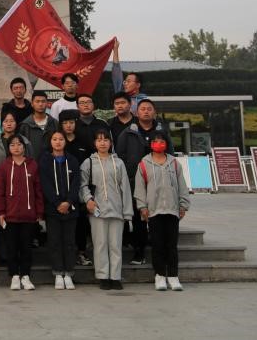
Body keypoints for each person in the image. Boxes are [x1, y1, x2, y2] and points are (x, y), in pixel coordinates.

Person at [134, 130, 189, 291]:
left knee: (171, 245)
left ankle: (173, 276)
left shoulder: (174, 163)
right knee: (157, 244)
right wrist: (142, 207)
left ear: (166, 144)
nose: (159, 144)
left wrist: (183, 205)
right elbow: (139, 188)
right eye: (156, 141)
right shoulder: (143, 164)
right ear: (151, 144)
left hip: (172, 210)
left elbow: (182, 185)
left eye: (162, 141)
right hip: (154, 210)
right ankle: (159, 275)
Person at [79, 128, 133, 291]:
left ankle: (115, 276)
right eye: (99, 140)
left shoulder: (119, 163)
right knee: (100, 244)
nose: (102, 143)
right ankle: (103, 276)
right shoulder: (88, 162)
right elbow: (82, 184)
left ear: (110, 143)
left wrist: (127, 212)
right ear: (94, 143)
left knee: (115, 245)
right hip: (97, 210)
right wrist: (88, 200)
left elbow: (125, 188)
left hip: (117, 209)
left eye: (105, 140)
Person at [115, 99, 166, 265]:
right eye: (142, 109)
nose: (146, 111)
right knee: (138, 218)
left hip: (158, 181)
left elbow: (170, 154)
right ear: (137, 112)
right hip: (135, 181)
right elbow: (120, 156)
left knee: (158, 217)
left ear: (154, 112)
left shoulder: (161, 131)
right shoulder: (128, 132)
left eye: (149, 109)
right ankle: (139, 253)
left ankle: (160, 253)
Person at [0, 135, 44, 291]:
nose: (16, 147)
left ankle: (25, 276)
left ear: (24, 146)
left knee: (26, 248)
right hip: (9, 216)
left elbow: (38, 190)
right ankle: (14, 276)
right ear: (9, 148)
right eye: (13, 145)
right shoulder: (4, 166)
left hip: (29, 216)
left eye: (19, 144)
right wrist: (0, 212)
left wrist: (39, 212)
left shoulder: (32, 165)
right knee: (11, 247)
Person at [40, 131, 80, 290]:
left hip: (71, 208)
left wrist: (68, 202)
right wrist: (57, 203)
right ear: (50, 142)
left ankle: (68, 273)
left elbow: (76, 183)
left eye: (61, 139)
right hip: (53, 208)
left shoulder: (72, 160)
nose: (58, 142)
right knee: (55, 241)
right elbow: (45, 184)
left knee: (69, 242)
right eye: (55, 139)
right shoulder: (45, 161)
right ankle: (58, 273)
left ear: (65, 141)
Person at [58, 109, 93, 267]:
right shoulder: (57, 141)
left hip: (80, 188)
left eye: (71, 122)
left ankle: (81, 252)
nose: (68, 126)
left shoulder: (83, 141)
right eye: (65, 123)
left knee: (81, 223)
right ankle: (65, 254)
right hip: (61, 189)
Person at [18, 90, 56, 161]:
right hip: (31, 163)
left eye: (43, 101)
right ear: (32, 104)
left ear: (47, 103)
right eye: (37, 101)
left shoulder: (54, 123)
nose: (40, 104)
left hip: (51, 163)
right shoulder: (25, 125)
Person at [111, 40, 148, 113]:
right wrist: (115, 50)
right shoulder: (120, 95)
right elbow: (116, 72)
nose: (125, 84)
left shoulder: (144, 101)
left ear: (138, 85)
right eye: (125, 81)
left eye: (129, 81)